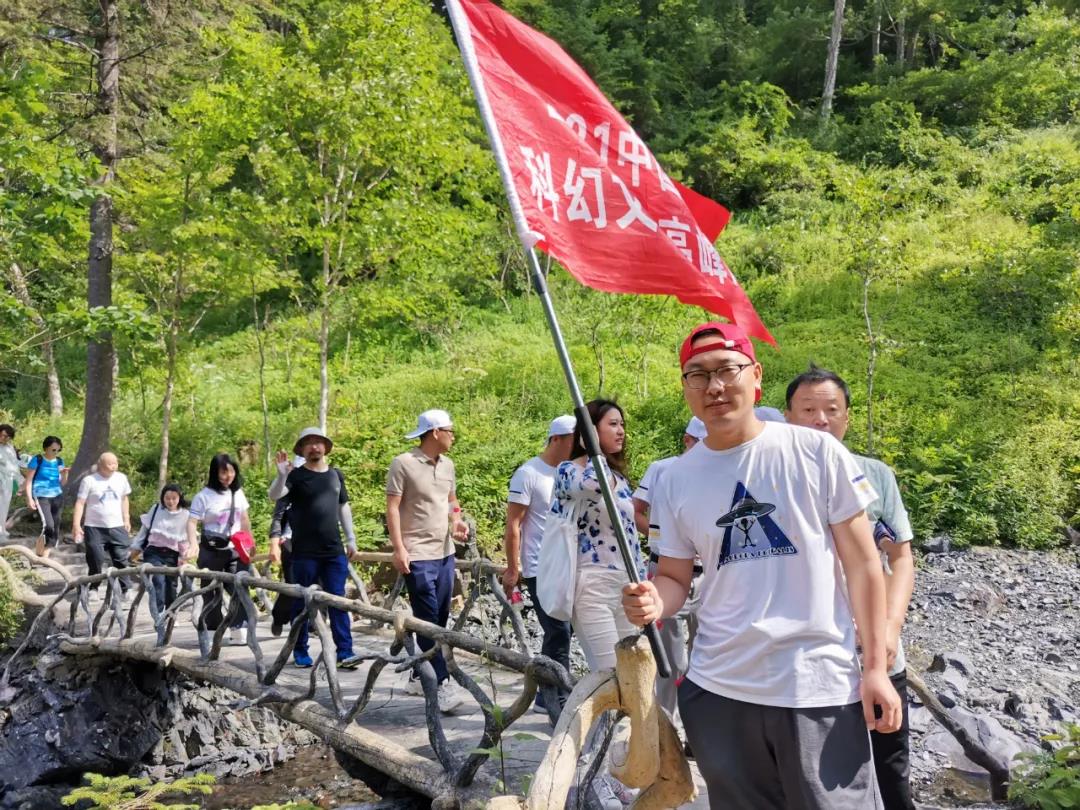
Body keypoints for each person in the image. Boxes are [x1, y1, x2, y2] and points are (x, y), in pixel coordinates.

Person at [622, 322, 901, 810]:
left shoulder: (816, 452)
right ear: (685, 387)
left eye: (728, 369)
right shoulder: (674, 479)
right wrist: (652, 601)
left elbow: (864, 564)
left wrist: (875, 667)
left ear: (756, 376)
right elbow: (674, 578)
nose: (714, 386)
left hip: (816, 686)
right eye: (697, 374)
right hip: (719, 689)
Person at [785, 365, 917, 810]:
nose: (820, 419)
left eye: (831, 410)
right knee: (819, 777)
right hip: (806, 659)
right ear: (788, 416)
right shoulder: (771, 476)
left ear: (847, 418)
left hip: (875, 650)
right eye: (808, 409)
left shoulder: (875, 475)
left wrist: (891, 627)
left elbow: (899, 559)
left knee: (890, 766)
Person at [552, 399, 644, 808]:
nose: (621, 431)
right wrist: (591, 450)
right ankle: (589, 777)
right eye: (612, 424)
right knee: (607, 680)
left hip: (625, 585)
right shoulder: (571, 471)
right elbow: (592, 487)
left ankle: (607, 770)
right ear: (590, 430)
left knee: (631, 684)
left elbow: (634, 537)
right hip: (591, 585)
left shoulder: (621, 480)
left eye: (623, 424)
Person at [386, 408, 471, 714]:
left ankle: (416, 672)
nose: (453, 436)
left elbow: (452, 501)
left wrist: (457, 522)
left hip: (445, 552)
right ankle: (441, 684)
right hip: (417, 553)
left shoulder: (448, 465)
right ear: (435, 432)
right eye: (450, 430)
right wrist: (399, 548)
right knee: (426, 617)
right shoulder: (403, 463)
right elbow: (393, 508)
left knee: (441, 616)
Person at [631, 416, 707, 726]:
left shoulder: (722, 469)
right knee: (673, 657)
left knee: (706, 653)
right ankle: (664, 724)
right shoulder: (663, 469)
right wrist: (664, 539)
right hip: (667, 571)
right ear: (687, 439)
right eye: (701, 441)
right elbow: (636, 509)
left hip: (711, 575)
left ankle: (697, 724)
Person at [269, 427, 362, 670]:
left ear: (325, 447)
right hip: (303, 552)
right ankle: (300, 650)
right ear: (302, 449)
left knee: (337, 600)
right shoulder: (295, 476)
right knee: (302, 602)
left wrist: (351, 538)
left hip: (333, 550)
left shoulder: (335, 475)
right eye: (308, 443)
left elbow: (344, 507)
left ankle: (345, 651)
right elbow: (274, 496)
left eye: (318, 442)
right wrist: (280, 476)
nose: (314, 447)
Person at [501, 414, 576, 715]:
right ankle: (556, 697)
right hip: (538, 566)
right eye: (574, 439)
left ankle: (547, 694)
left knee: (562, 630)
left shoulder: (571, 472)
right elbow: (513, 525)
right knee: (558, 630)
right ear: (556, 438)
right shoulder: (528, 473)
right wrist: (512, 567)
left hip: (566, 563)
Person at [187, 453, 252, 645]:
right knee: (211, 590)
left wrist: (250, 543)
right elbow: (192, 522)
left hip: (235, 549)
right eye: (223, 472)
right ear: (215, 473)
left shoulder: (238, 493)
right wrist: (192, 544)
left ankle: (239, 628)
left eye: (231, 471)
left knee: (240, 586)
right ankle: (212, 628)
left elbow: (244, 519)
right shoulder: (203, 496)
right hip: (211, 549)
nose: (228, 476)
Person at [72, 452, 133, 595]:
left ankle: (126, 589)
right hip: (94, 527)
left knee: (121, 558)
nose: (113, 467)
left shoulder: (121, 478)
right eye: (110, 464)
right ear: (100, 465)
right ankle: (94, 587)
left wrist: (126, 518)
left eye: (115, 463)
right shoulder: (89, 481)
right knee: (95, 559)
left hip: (117, 525)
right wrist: (76, 525)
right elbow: (80, 503)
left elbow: (124, 499)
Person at [137, 483, 190, 615]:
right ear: (163, 498)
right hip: (154, 552)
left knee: (171, 585)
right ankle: (159, 613)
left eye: (174, 498)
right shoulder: (156, 509)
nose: (170, 501)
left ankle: (171, 613)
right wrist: (135, 548)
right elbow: (144, 530)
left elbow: (184, 538)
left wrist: (184, 557)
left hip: (172, 554)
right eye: (167, 498)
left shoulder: (185, 514)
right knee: (158, 581)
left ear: (179, 498)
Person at [267, 451, 305, 636]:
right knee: (292, 583)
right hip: (289, 540)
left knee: (314, 582)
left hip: (312, 541)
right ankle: (280, 616)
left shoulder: (321, 483)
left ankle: (308, 623)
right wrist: (275, 542)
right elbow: (277, 516)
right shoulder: (287, 489)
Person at [24, 436, 68, 557]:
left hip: (57, 495)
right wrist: (29, 498)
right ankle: (40, 551)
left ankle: (45, 554)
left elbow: (62, 483)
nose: (56, 453)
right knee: (48, 525)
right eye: (53, 450)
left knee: (56, 525)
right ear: (45, 448)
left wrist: (64, 474)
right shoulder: (37, 460)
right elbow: (28, 481)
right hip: (41, 494)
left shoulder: (59, 461)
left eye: (58, 450)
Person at [0, 425, 20, 541]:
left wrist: (20, 482)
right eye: (3, 435)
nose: (5, 438)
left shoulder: (9, 447)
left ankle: (2, 529)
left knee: (4, 505)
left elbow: (14, 465)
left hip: (8, 480)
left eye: (7, 437)